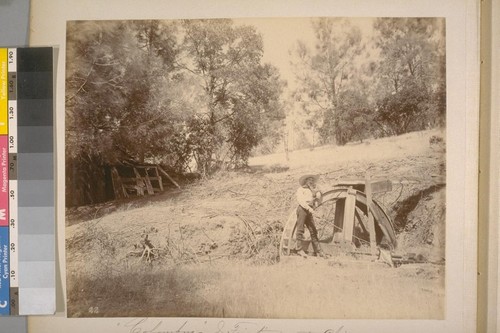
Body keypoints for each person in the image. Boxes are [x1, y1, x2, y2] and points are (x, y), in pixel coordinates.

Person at [295, 174, 325, 258]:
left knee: (313, 230)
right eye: (309, 180)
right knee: (300, 229)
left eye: (312, 180)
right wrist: (309, 208)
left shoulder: (312, 190)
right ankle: (299, 250)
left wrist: (318, 194)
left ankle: (318, 251)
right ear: (305, 181)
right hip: (302, 209)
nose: (311, 181)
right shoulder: (300, 189)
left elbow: (318, 196)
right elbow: (301, 201)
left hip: (309, 210)